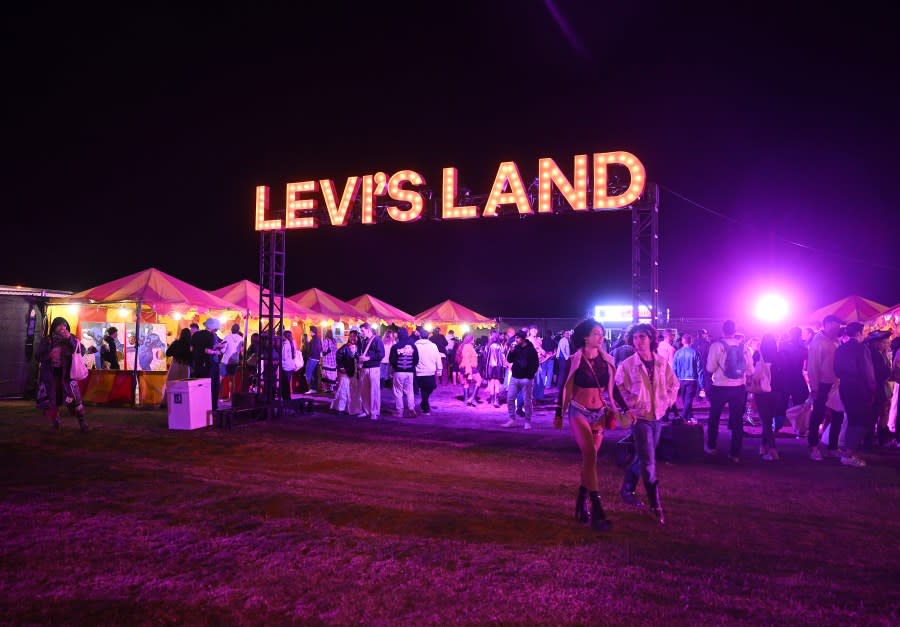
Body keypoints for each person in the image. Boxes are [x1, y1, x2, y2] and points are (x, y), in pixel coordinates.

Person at [558, 319, 628, 532]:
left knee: (591, 460)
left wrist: (625, 409)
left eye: (602, 333)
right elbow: (563, 386)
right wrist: (557, 413)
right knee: (589, 454)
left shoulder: (608, 360)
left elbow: (613, 389)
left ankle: (581, 501)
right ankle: (598, 510)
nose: (601, 337)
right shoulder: (574, 360)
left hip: (599, 414)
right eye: (597, 333)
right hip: (578, 411)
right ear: (586, 337)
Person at [615, 323, 679, 524]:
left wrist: (667, 402)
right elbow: (617, 388)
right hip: (640, 419)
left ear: (651, 338)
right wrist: (629, 407)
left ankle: (627, 489)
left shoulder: (661, 362)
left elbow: (673, 384)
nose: (638, 341)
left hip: (657, 417)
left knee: (644, 457)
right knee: (649, 462)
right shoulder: (627, 365)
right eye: (635, 337)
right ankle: (655, 505)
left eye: (642, 336)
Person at [705, 320, 754, 462]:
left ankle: (712, 446)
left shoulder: (717, 346)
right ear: (735, 331)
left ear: (723, 331)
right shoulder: (743, 347)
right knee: (737, 419)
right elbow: (750, 369)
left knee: (714, 417)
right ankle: (735, 453)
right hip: (739, 387)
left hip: (720, 386)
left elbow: (710, 368)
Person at [833, 322, 876, 467]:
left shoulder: (840, 349)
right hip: (860, 388)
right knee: (862, 422)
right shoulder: (861, 349)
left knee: (852, 420)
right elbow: (867, 372)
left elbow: (837, 371)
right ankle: (849, 453)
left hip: (845, 386)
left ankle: (849, 451)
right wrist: (872, 389)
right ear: (859, 333)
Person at [36, 317, 88, 431]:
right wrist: (49, 355)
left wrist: (70, 339)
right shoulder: (47, 340)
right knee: (52, 401)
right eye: (59, 325)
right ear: (54, 327)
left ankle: (82, 423)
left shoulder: (71, 338)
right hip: (51, 377)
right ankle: (55, 423)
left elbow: (82, 351)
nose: (62, 327)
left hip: (68, 377)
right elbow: (38, 357)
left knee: (75, 400)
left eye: (64, 325)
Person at [807, 315, 843, 460]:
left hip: (836, 384)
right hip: (822, 384)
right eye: (834, 327)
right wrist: (814, 387)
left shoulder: (835, 341)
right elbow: (812, 367)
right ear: (826, 324)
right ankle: (813, 446)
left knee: (837, 414)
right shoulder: (818, 342)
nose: (837, 330)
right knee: (818, 415)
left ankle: (833, 446)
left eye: (838, 327)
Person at [750, 335, 780, 460]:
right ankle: (763, 446)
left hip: (760, 391)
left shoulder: (757, 355)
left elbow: (752, 371)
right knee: (768, 419)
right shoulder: (779, 357)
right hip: (775, 391)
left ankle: (772, 449)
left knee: (765, 420)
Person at [503, 330, 539, 429]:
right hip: (515, 378)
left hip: (526, 379)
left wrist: (529, 375)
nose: (516, 339)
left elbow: (535, 364)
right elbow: (510, 360)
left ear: (523, 339)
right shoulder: (516, 348)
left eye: (518, 338)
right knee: (510, 398)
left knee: (527, 401)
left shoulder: (531, 350)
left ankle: (527, 421)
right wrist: (511, 351)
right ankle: (512, 420)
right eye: (515, 338)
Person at [191, 318, 225, 410]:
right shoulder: (211, 336)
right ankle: (211, 407)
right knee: (212, 386)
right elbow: (207, 350)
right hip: (210, 365)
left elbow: (192, 349)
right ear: (214, 328)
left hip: (197, 364)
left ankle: (198, 406)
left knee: (198, 385)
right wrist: (216, 351)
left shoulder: (196, 335)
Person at [357, 322, 385, 420]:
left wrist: (368, 358)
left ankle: (374, 412)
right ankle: (366, 410)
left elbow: (381, 354)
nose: (361, 332)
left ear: (368, 329)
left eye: (363, 330)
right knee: (364, 391)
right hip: (364, 368)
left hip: (374, 368)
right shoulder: (363, 341)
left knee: (374, 391)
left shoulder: (377, 340)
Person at [389, 327, 418, 417]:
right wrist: (411, 367)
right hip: (410, 372)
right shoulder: (413, 346)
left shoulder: (395, 346)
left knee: (398, 392)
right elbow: (416, 359)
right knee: (410, 391)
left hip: (398, 372)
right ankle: (411, 408)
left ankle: (399, 412)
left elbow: (392, 360)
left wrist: (395, 367)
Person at [413, 327, 443, 414]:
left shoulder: (416, 345)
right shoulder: (432, 346)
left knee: (427, 389)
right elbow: (438, 358)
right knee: (426, 389)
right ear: (428, 336)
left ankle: (424, 403)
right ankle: (426, 408)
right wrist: (439, 369)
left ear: (420, 336)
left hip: (420, 371)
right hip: (429, 371)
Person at [673, 333, 701, 424]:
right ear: (691, 341)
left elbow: (675, 367)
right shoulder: (695, 352)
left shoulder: (678, 353)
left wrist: (675, 379)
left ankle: (689, 417)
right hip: (692, 379)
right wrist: (702, 383)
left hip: (681, 379)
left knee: (684, 399)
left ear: (682, 341)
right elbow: (699, 369)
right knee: (688, 399)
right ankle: (683, 416)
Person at [331, 330, 361, 415]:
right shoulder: (345, 347)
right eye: (351, 336)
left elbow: (358, 358)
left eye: (355, 336)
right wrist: (341, 367)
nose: (353, 338)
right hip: (346, 372)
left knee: (353, 391)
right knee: (343, 390)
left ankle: (351, 408)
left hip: (355, 373)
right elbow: (338, 356)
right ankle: (341, 408)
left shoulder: (359, 348)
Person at [220, 323, 244, 401]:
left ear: (231, 329)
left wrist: (219, 349)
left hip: (225, 361)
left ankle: (218, 396)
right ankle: (231, 398)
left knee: (221, 379)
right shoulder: (241, 338)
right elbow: (241, 350)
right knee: (232, 379)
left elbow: (223, 350)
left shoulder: (227, 337)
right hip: (235, 361)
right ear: (238, 330)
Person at [484, 332, 506, 408]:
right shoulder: (500, 346)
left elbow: (485, 357)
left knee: (491, 384)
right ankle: (496, 400)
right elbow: (503, 357)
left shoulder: (488, 346)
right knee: (497, 384)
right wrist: (504, 366)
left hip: (490, 366)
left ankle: (492, 400)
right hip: (498, 367)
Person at [458, 333, 481, 406]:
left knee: (466, 383)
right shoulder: (467, 347)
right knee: (479, 380)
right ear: (470, 339)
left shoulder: (466, 346)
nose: (474, 340)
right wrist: (469, 372)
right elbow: (467, 359)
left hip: (465, 367)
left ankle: (466, 400)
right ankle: (472, 398)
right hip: (470, 367)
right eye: (473, 339)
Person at [280, 330, 302, 402]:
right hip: (290, 365)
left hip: (285, 366)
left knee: (285, 383)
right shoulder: (293, 342)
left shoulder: (286, 344)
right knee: (287, 382)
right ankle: (287, 398)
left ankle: (286, 398)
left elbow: (284, 357)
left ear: (284, 336)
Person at [305, 326, 322, 392]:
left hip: (313, 358)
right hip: (315, 358)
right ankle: (313, 388)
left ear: (312, 332)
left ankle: (312, 388)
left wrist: (310, 356)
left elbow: (314, 349)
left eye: (310, 331)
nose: (309, 332)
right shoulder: (316, 339)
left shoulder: (315, 340)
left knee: (309, 373)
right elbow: (320, 349)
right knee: (312, 373)